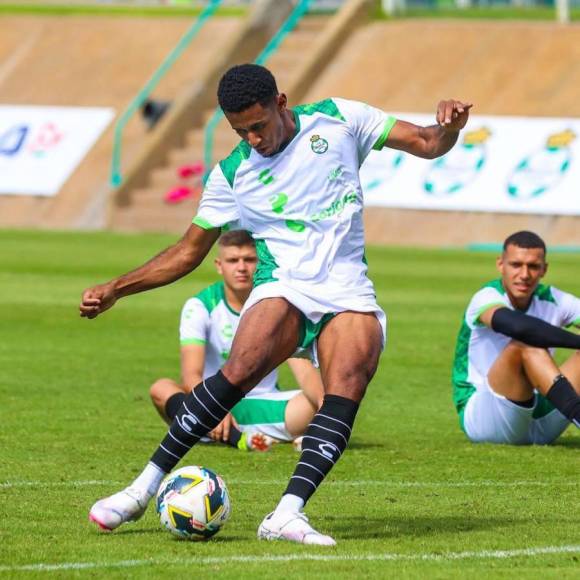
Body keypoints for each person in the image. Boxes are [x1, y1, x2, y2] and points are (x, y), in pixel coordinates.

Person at [81, 63, 472, 545]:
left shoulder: (338, 119)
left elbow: (429, 143)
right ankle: (140, 490)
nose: (253, 138)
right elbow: (188, 251)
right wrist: (118, 286)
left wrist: (450, 128)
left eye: (258, 125)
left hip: (348, 286)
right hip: (283, 283)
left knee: (347, 382)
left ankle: (287, 513)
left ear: (281, 103)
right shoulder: (233, 174)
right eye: (239, 130)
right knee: (240, 369)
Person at [150, 229, 324, 451]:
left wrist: (325, 412)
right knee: (161, 388)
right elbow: (191, 375)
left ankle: (206, 431)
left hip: (265, 404)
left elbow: (305, 371)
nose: (241, 267)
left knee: (324, 396)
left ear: (260, 263)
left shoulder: (277, 306)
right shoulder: (200, 306)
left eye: (249, 260)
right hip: (213, 402)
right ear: (219, 265)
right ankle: (234, 434)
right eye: (233, 260)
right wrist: (212, 407)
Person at [452, 230, 580, 445]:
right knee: (525, 343)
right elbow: (519, 327)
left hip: (539, 420)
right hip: (486, 417)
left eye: (533, 266)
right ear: (500, 264)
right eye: (516, 265)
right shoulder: (487, 297)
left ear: (544, 269)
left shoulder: (554, 299)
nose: (524, 274)